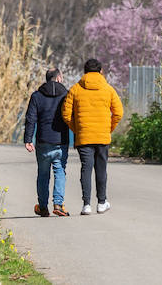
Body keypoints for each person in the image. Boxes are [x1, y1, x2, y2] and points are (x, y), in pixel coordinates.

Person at [60, 58, 123, 215]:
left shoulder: (75, 89)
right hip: (102, 137)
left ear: (84, 72)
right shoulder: (108, 89)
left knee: (86, 169)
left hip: (84, 137)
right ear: (101, 71)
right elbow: (119, 113)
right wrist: (108, 128)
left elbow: (66, 114)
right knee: (101, 170)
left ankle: (86, 204)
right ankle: (102, 202)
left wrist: (77, 129)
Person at [23, 68, 72, 217]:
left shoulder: (37, 96)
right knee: (59, 171)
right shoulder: (67, 95)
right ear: (58, 78)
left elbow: (31, 118)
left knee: (43, 174)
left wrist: (28, 139)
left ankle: (43, 207)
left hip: (43, 141)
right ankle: (58, 204)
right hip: (60, 140)